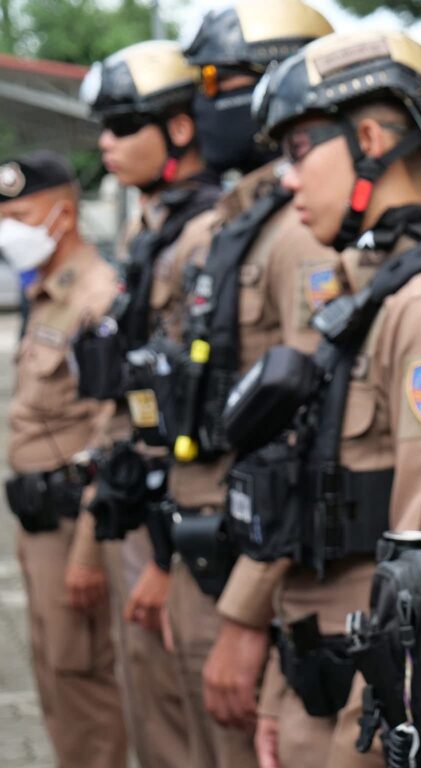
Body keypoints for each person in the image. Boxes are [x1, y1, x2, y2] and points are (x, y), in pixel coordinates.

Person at [227, 29, 421, 767]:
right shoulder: (371, 292)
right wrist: (278, 690)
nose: (287, 179)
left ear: (369, 140)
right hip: (317, 671)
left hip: (365, 706)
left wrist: (372, 736)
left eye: (299, 151)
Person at [156, 3, 334, 767]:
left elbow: (307, 431)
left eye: (215, 84)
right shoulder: (237, 220)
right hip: (209, 544)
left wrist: (246, 612)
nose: (200, 106)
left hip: (254, 562)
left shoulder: (300, 232)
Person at [78, 39, 221, 768]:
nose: (106, 142)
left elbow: (196, 413)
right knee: (151, 717)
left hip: (181, 522)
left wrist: (167, 554)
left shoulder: (207, 233)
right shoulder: (151, 226)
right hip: (143, 505)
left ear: (181, 127)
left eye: (124, 125)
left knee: (183, 729)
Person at [0, 150, 128, 768]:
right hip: (38, 521)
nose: (8, 230)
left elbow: (110, 433)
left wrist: (86, 550)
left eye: (20, 216)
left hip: (74, 522)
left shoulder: (97, 296)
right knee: (55, 676)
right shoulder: (48, 290)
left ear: (64, 215)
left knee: (84, 683)